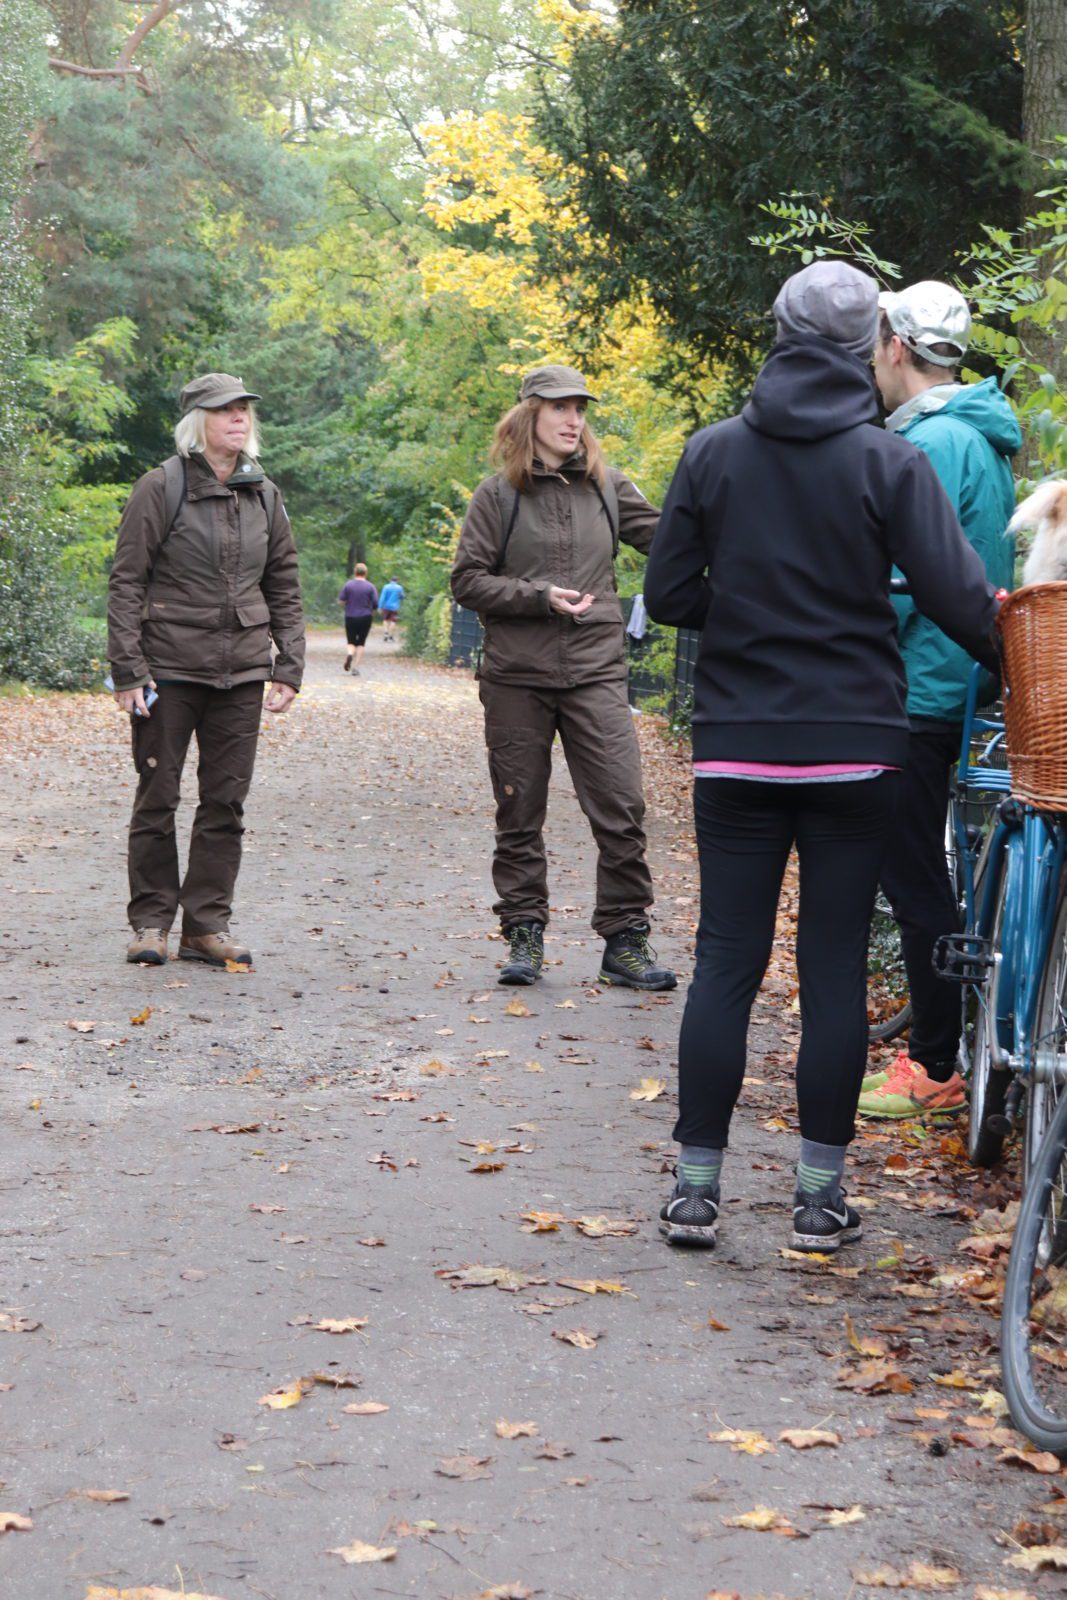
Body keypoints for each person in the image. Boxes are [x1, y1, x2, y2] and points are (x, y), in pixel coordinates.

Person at [643, 262, 1000, 1253]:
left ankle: (693, 1192)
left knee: (724, 960)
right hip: (854, 752)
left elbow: (670, 593)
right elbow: (957, 599)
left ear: (775, 335)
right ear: (865, 346)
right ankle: (815, 1199)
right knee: (832, 966)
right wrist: (1018, 666)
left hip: (736, 749)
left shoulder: (711, 453)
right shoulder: (888, 464)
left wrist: (748, 615)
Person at [451, 364, 676, 992]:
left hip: (597, 670)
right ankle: (524, 935)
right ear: (530, 416)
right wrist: (537, 595)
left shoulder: (608, 487)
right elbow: (467, 581)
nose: (574, 420)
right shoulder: (497, 495)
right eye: (560, 408)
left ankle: (625, 940)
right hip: (516, 676)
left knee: (622, 805)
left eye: (580, 408)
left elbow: (669, 539)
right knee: (519, 812)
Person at [859, 282, 1020, 1119]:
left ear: (892, 345)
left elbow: (904, 579)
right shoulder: (975, 437)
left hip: (914, 685)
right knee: (926, 866)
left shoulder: (928, 446)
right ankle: (933, 1042)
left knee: (913, 873)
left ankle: (931, 1063)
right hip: (951, 680)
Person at [108, 372, 305, 969]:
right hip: (166, 670)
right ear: (199, 422)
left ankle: (205, 926)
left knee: (225, 803)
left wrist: (289, 664)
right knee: (157, 797)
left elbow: (284, 583)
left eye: (245, 408)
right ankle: (150, 923)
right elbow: (126, 582)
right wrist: (127, 670)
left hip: (241, 672)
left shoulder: (264, 493)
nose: (239, 418)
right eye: (226, 411)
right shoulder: (160, 487)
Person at [338, 562, 378, 674]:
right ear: (366, 573)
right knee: (361, 642)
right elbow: (375, 603)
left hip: (350, 616)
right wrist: (371, 611)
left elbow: (341, 601)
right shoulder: (370, 587)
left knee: (351, 641)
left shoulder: (348, 585)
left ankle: (350, 654)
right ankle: (355, 667)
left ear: (355, 572)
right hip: (365, 616)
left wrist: (347, 605)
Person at [377, 577, 405, 642]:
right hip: (395, 607)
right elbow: (402, 597)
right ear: (397, 581)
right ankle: (390, 635)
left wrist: (380, 606)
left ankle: (386, 633)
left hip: (386, 606)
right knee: (393, 621)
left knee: (385, 619)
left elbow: (382, 597)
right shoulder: (399, 588)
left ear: (390, 580)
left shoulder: (386, 587)